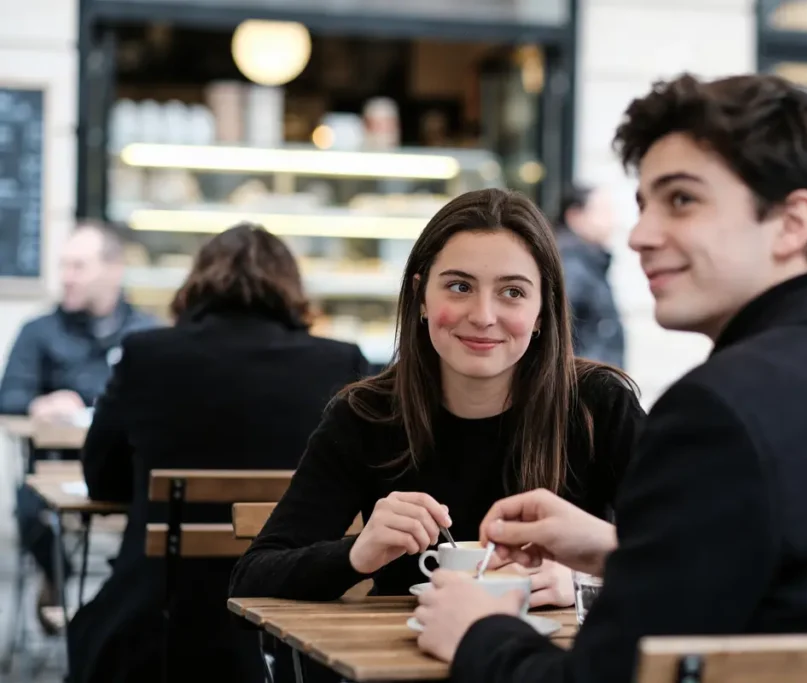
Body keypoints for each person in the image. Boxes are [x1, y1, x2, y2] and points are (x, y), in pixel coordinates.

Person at [411, 73, 807, 682]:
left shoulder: (721, 407)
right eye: (643, 203)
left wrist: (477, 633)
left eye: (681, 200)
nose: (640, 235)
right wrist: (621, 552)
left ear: (793, 222)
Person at [229, 188, 644, 682]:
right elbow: (253, 574)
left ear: (542, 310)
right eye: (459, 286)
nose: (484, 315)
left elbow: (690, 557)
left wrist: (583, 576)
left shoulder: (599, 405)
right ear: (422, 296)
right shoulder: (367, 414)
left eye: (512, 291)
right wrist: (357, 554)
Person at [66, 223, 369, 683]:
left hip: (159, 621)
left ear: (197, 282)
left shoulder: (146, 353)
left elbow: (102, 479)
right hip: (293, 621)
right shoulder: (340, 361)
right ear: (290, 287)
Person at [0, 221, 158, 633]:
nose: (65, 277)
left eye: (78, 266)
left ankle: (120, 611)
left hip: (125, 473)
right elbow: (8, 397)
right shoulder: (39, 331)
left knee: (160, 511)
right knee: (30, 507)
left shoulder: (148, 334)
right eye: (64, 266)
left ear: (113, 269)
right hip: (53, 472)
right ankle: (60, 576)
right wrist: (40, 404)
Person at [556, 185, 625, 368]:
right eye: (602, 212)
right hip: (584, 385)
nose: (612, 221)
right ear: (574, 216)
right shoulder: (571, 265)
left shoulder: (589, 261)